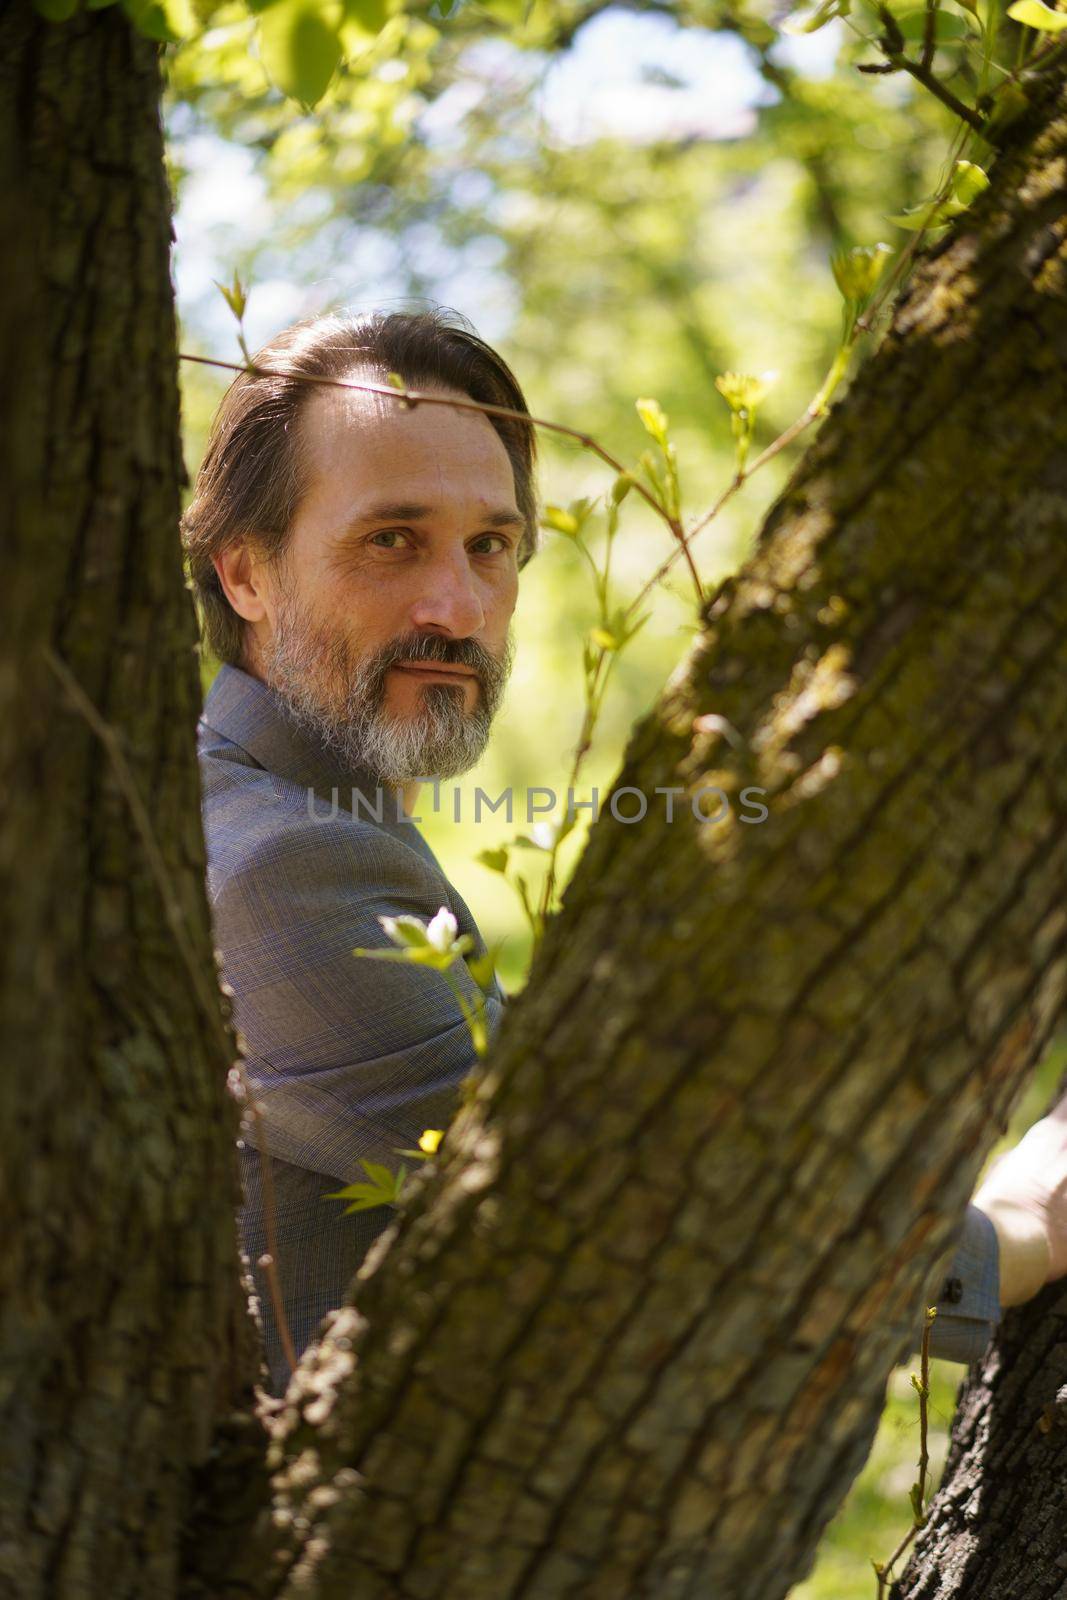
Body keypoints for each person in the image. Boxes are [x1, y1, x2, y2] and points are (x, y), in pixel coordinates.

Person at [183, 308, 1067, 1395]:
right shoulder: (273, 864)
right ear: (245, 575)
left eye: (490, 546)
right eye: (390, 539)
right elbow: (618, 1232)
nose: (455, 607)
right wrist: (1020, 1227)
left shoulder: (264, 812)